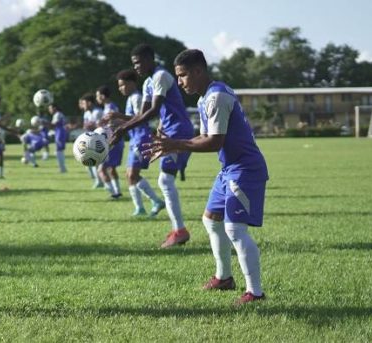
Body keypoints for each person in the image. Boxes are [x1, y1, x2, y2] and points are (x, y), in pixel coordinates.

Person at [144, 49, 268, 305]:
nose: (179, 82)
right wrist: (175, 143)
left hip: (245, 169)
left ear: (198, 71)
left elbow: (214, 142)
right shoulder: (206, 98)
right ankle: (224, 278)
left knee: (234, 229)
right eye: (178, 76)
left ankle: (255, 293)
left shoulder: (216, 97)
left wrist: (176, 145)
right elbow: (204, 137)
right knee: (211, 220)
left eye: (183, 75)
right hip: (229, 169)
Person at [110, 44, 194, 248]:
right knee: (165, 180)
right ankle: (177, 229)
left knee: (165, 180)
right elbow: (142, 113)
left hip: (179, 131)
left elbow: (154, 110)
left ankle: (180, 231)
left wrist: (123, 129)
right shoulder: (149, 82)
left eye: (139, 62)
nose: (136, 67)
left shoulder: (161, 76)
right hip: (169, 131)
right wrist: (124, 126)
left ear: (149, 59)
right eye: (134, 64)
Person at [106, 69, 164, 216]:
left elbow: (141, 118)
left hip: (141, 137)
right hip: (134, 138)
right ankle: (140, 208)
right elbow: (132, 118)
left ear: (132, 83)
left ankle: (156, 201)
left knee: (132, 173)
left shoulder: (137, 97)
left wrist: (119, 116)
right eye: (119, 86)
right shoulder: (131, 98)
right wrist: (118, 122)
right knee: (129, 175)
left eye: (123, 85)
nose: (120, 89)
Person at [96, 85, 124, 199]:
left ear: (102, 96)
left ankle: (113, 193)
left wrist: (105, 125)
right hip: (114, 140)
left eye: (97, 96)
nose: (96, 98)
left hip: (112, 141)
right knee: (111, 168)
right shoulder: (109, 107)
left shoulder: (110, 108)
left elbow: (118, 122)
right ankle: (117, 192)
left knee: (101, 169)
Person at [80, 93, 103, 188]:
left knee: (94, 161)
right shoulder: (87, 113)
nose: (82, 105)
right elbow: (85, 125)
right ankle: (98, 180)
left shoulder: (98, 112)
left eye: (84, 103)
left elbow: (101, 126)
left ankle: (100, 181)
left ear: (89, 103)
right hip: (88, 139)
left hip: (98, 139)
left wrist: (92, 126)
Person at [48, 103, 68, 173]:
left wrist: (43, 123)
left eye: (50, 108)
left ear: (54, 108)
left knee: (58, 151)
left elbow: (54, 125)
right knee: (59, 151)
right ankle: (62, 168)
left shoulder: (58, 114)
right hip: (59, 132)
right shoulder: (57, 114)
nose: (49, 110)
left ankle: (62, 168)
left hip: (60, 133)